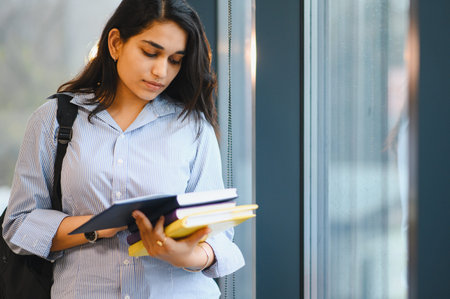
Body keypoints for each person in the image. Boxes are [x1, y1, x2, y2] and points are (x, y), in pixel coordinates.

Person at [2, 0, 244, 298]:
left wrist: (185, 256)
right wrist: (95, 228)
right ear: (115, 43)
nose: (161, 71)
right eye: (150, 52)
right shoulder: (53, 119)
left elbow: (219, 236)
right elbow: (19, 224)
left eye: (175, 60)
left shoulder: (192, 128)